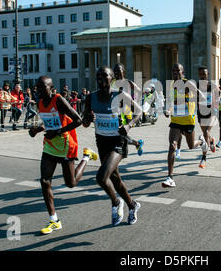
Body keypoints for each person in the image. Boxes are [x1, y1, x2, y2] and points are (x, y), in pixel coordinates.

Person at [29, 76, 96, 235]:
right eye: (37, 87)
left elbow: (78, 120)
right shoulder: (39, 103)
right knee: (45, 182)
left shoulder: (58, 100)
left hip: (66, 145)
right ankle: (54, 220)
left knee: (71, 183)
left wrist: (58, 132)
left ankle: (86, 156)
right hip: (50, 147)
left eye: (42, 87)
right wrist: (37, 130)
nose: (38, 90)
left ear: (51, 89)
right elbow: (50, 121)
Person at [82, 66, 142, 226]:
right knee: (115, 179)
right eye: (98, 76)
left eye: (105, 75)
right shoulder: (90, 98)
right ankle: (132, 205)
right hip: (102, 142)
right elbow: (85, 123)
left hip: (118, 141)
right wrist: (88, 118)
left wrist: (128, 126)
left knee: (101, 177)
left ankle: (116, 202)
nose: (101, 78)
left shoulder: (120, 95)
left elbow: (139, 112)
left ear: (111, 79)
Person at [163, 63, 207, 188]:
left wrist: (190, 96)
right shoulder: (171, 85)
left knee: (191, 146)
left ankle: (202, 142)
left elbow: (202, 97)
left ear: (183, 72)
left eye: (178, 70)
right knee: (172, 146)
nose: (175, 72)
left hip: (188, 121)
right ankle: (170, 177)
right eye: (173, 70)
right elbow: (172, 102)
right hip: (176, 121)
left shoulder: (189, 83)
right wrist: (168, 111)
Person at [112, 63, 144, 156]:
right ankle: (137, 144)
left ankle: (131, 147)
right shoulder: (112, 82)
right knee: (119, 134)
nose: (117, 72)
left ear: (123, 71)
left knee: (121, 134)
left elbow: (139, 91)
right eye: (115, 71)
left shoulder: (128, 82)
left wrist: (134, 101)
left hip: (126, 113)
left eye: (119, 70)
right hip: (116, 112)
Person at [196, 66, 220, 168]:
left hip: (211, 113)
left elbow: (218, 96)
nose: (202, 76)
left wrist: (215, 106)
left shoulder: (213, 86)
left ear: (207, 75)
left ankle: (203, 158)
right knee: (206, 134)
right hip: (201, 113)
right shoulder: (196, 86)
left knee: (206, 132)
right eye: (201, 74)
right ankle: (211, 141)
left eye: (204, 74)